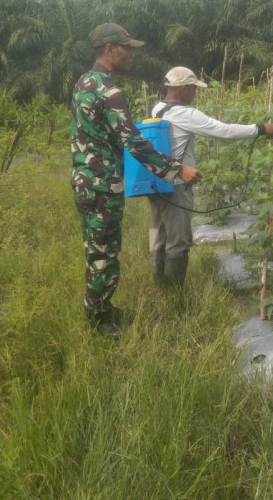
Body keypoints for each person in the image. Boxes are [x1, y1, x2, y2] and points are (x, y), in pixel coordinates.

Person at [70, 24, 201, 337]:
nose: (131, 54)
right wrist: (176, 169)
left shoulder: (83, 81)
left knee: (96, 249)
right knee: (104, 255)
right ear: (110, 49)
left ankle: (101, 308)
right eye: (127, 48)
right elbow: (134, 142)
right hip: (102, 185)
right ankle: (99, 323)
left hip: (85, 180)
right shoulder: (108, 91)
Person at [148, 66, 273, 287]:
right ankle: (173, 295)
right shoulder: (186, 114)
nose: (195, 92)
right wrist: (259, 129)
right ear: (182, 88)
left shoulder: (158, 108)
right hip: (177, 185)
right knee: (179, 241)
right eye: (193, 88)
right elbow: (224, 131)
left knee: (159, 236)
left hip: (157, 182)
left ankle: (159, 286)